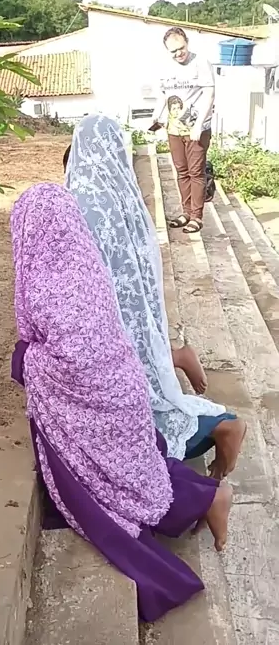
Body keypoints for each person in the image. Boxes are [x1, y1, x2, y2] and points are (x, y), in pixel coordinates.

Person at [11, 183, 233, 622]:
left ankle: (207, 502)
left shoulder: (43, 284)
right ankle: (206, 497)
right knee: (135, 475)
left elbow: (69, 358)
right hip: (122, 394)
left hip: (95, 400)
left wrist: (26, 362)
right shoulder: (85, 262)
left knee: (106, 493)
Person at [65, 114, 246, 477]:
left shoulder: (80, 199)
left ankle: (219, 427)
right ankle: (177, 361)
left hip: (105, 314)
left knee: (136, 412)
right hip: (130, 308)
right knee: (141, 383)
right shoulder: (123, 192)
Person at [64, 139, 207, 396]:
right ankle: (174, 356)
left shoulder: (94, 203)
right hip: (113, 283)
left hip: (109, 284)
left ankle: (175, 357)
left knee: (115, 341)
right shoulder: (119, 197)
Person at [151, 27, 215, 234]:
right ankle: (186, 212)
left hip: (197, 128)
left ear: (187, 43)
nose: (178, 53)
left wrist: (198, 125)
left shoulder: (200, 63)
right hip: (174, 128)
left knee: (196, 172)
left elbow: (209, 95)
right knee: (181, 171)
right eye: (173, 51)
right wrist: (157, 114)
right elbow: (163, 95)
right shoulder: (164, 67)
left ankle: (196, 216)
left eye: (181, 48)